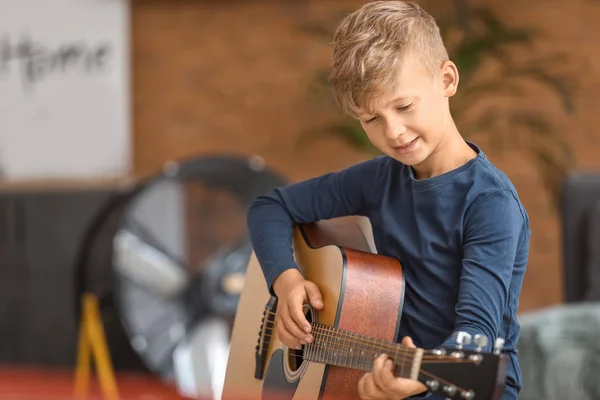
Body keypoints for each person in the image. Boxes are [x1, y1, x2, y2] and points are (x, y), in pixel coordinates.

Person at [246, 1, 530, 399]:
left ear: (447, 79)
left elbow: (476, 336)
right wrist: (286, 281)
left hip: (465, 388)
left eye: (404, 106)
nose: (393, 132)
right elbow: (270, 206)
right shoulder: (379, 178)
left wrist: (414, 380)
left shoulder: (490, 204)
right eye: (371, 119)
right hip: (383, 377)